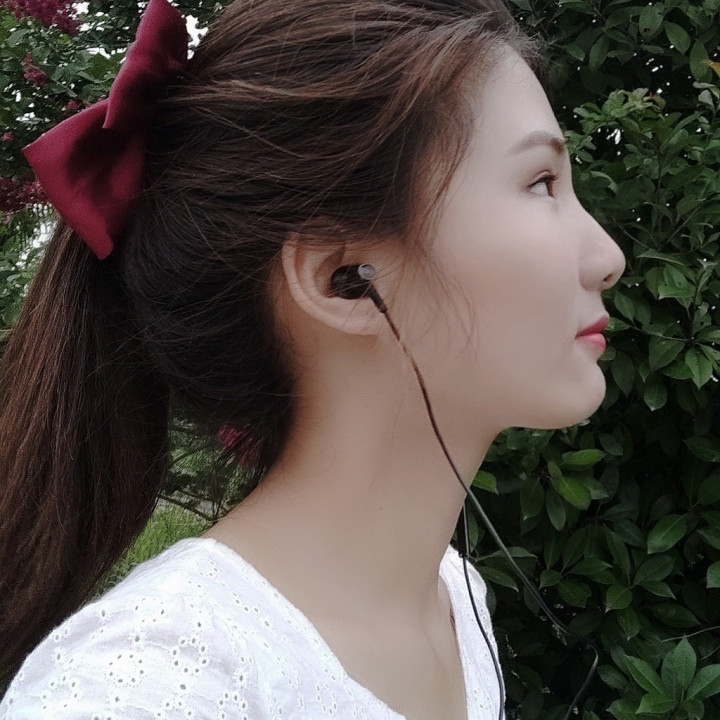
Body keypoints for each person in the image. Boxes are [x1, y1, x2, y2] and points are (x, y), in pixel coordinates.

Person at [0, 0, 625, 717]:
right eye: (541, 183)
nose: (608, 257)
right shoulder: (150, 686)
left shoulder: (454, 597)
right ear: (345, 280)